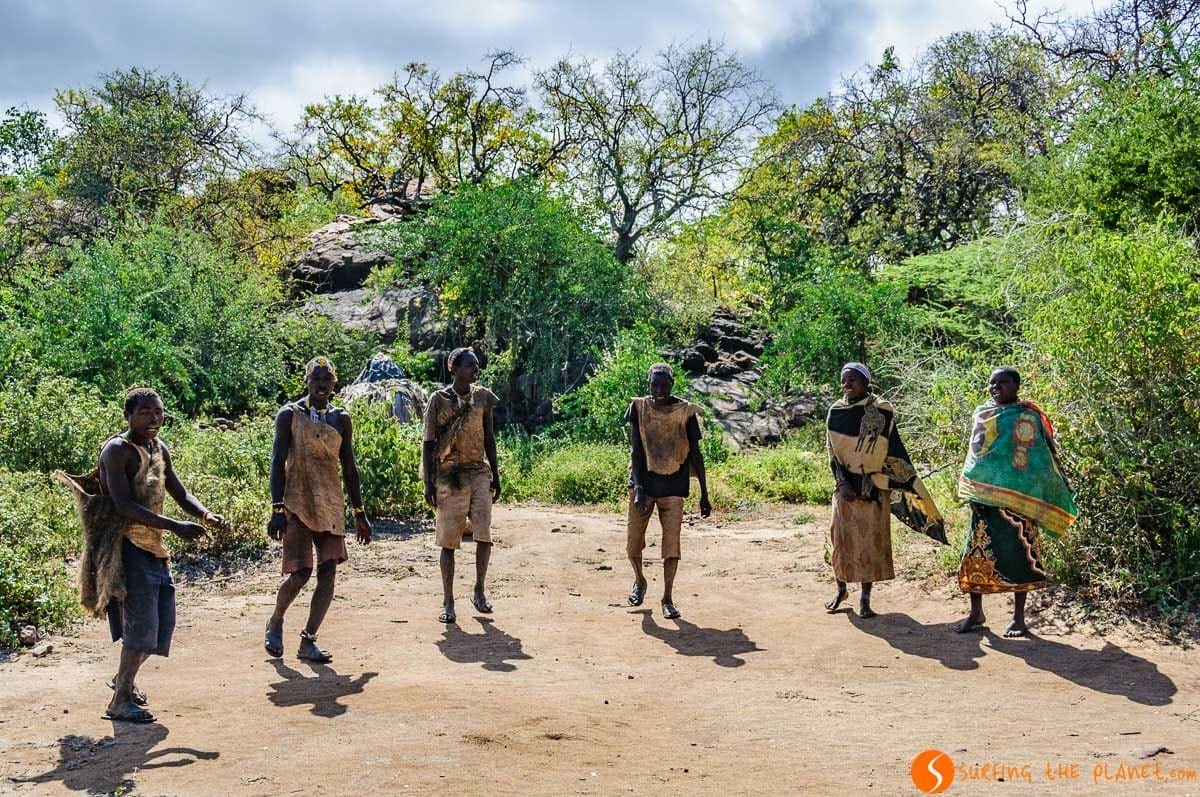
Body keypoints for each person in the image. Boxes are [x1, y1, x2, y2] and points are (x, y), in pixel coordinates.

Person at [56, 387, 226, 723]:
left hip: (152, 546)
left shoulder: (157, 447)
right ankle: (119, 700)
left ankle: (124, 683)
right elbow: (123, 505)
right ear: (129, 416)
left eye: (158, 412)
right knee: (143, 626)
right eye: (146, 412)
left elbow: (179, 490)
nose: (154, 419)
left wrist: (204, 514)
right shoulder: (117, 451)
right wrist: (175, 526)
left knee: (160, 625)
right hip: (126, 547)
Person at [264, 357, 372, 662]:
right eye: (316, 378)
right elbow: (277, 462)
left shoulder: (341, 419)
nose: (322, 384)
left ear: (335, 382)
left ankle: (308, 640)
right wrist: (277, 508)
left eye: (328, 379)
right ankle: (276, 620)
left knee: (327, 574)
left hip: (330, 505)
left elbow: (349, 468)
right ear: (306, 380)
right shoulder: (290, 415)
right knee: (300, 573)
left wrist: (359, 512)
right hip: (297, 502)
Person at [956, 367, 1077, 637]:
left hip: (1020, 504)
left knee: (1020, 558)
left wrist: (1043, 489)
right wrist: (972, 494)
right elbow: (974, 456)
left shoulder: (1028, 416)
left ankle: (1018, 619)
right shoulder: (982, 414)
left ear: (1016, 386)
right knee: (976, 558)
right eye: (992, 383)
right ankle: (976, 613)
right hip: (983, 502)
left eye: (1003, 382)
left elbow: (1042, 458)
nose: (996, 387)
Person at [825, 363, 946, 618]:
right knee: (841, 541)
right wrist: (843, 483)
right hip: (845, 489)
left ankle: (865, 599)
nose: (847, 385)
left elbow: (889, 449)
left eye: (853, 380)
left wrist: (874, 478)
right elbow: (832, 454)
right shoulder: (835, 411)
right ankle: (841, 589)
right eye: (844, 380)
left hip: (873, 488)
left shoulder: (882, 411)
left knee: (868, 543)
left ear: (866, 382)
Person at [625, 363, 712, 620]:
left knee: (671, 546)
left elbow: (696, 454)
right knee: (633, 543)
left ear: (672, 385)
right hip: (643, 484)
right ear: (648, 384)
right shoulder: (639, 408)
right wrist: (638, 487)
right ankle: (639, 580)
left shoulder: (684, 412)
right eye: (655, 385)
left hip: (673, 485)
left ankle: (667, 597)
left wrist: (704, 494)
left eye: (664, 385)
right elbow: (635, 451)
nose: (659, 390)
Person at [422, 347, 500, 624]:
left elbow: (489, 437)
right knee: (449, 542)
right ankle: (448, 600)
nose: (475, 369)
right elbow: (429, 443)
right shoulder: (439, 400)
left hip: (478, 472)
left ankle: (479, 589)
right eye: (469, 365)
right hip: (449, 475)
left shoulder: (482, 398)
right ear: (454, 368)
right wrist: (428, 482)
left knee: (484, 534)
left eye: (477, 365)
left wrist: (496, 474)